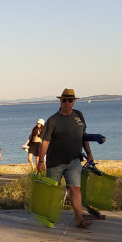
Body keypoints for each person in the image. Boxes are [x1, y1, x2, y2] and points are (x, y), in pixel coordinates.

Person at [38, 88, 95, 228]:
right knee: (53, 192)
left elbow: (84, 136)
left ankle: (79, 220)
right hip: (55, 163)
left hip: (74, 161)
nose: (67, 103)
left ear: (74, 101)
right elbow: (45, 142)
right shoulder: (53, 120)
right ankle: (48, 218)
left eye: (70, 100)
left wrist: (89, 153)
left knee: (75, 189)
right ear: (60, 101)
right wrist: (40, 161)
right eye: (65, 100)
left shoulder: (79, 115)